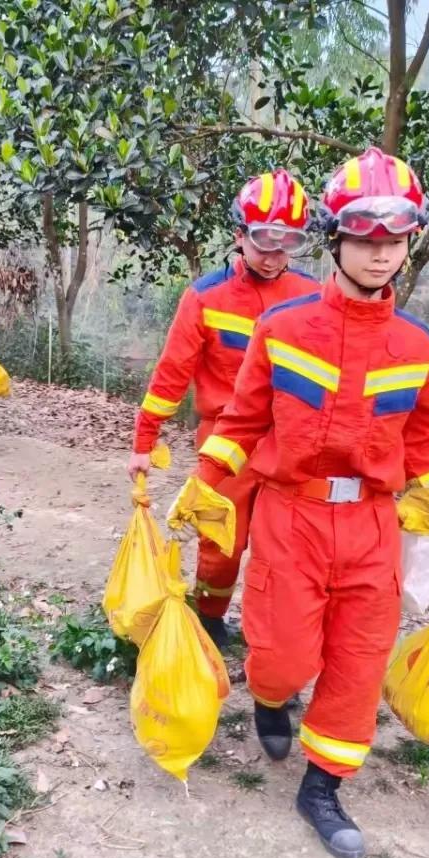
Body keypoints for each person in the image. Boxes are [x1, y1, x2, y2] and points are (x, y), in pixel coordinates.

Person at [171, 148, 429, 858]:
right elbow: (241, 422)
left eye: (395, 238)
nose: (381, 252)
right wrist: (205, 482)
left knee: (359, 662)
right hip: (291, 517)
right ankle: (271, 698)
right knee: (279, 657)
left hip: (371, 526)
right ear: (336, 238)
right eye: (365, 236)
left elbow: (423, 444)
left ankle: (323, 787)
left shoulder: (415, 344)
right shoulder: (284, 328)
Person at [126, 170, 320, 648]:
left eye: (287, 244)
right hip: (225, 438)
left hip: (291, 443)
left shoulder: (311, 295)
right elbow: (172, 374)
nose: (273, 256)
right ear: (238, 235)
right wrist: (144, 441)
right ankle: (210, 618)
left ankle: (271, 635)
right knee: (221, 537)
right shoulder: (206, 297)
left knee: (284, 544)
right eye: (263, 241)